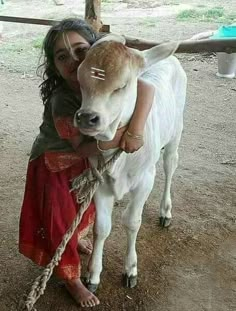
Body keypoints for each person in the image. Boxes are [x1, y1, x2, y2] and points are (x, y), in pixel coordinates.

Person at [19, 18, 155, 308]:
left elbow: (146, 86)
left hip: (85, 163)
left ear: (96, 51)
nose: (73, 61)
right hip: (54, 164)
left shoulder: (103, 78)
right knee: (60, 221)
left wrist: (137, 129)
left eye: (81, 51)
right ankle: (72, 280)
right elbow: (82, 147)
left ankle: (75, 241)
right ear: (53, 64)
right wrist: (121, 135)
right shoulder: (62, 99)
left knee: (81, 210)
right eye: (62, 56)